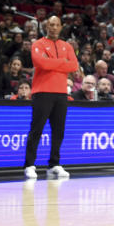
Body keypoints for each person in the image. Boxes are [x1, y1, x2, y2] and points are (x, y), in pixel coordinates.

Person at [24, 16, 79, 180]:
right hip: (42, 92)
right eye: (51, 25)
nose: (53, 27)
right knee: (37, 129)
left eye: (56, 25)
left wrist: (53, 62)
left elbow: (74, 66)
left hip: (61, 93)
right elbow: (41, 63)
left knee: (59, 130)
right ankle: (29, 165)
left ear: (61, 27)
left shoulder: (67, 46)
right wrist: (62, 62)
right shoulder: (38, 44)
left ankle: (54, 164)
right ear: (46, 27)